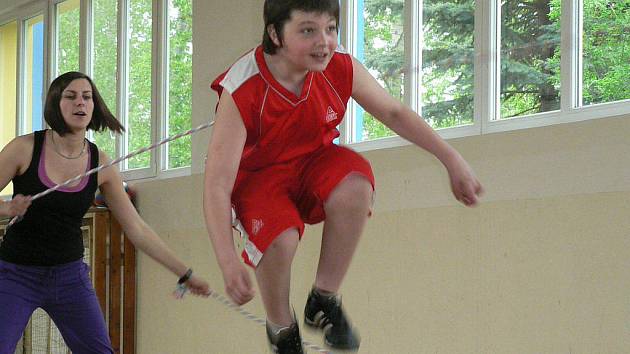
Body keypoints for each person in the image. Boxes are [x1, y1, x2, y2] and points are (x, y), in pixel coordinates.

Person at [203, 1, 484, 353]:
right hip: (259, 180)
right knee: (282, 238)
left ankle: (324, 298)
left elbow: (394, 112)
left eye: (331, 29)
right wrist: (227, 261)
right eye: (308, 30)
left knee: (355, 183)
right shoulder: (242, 87)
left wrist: (451, 159)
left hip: (313, 165)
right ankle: (281, 329)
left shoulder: (338, 67)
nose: (324, 41)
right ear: (276, 34)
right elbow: (216, 182)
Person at [0, 71, 210, 354]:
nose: (80, 104)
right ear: (55, 103)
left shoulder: (101, 163)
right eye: (71, 96)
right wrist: (6, 207)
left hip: (69, 277)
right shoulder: (24, 149)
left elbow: (137, 229)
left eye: (87, 97)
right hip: (16, 274)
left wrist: (184, 273)